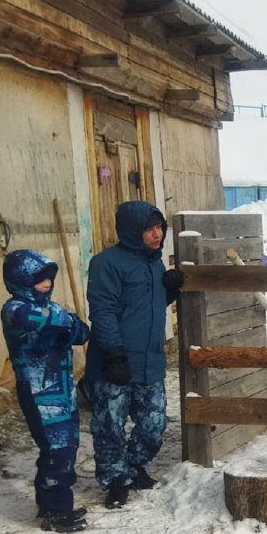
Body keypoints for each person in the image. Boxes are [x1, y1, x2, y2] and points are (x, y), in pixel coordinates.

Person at [84, 201, 183, 509]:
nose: (157, 235)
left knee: (153, 425)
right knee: (109, 426)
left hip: (149, 360)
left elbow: (146, 308)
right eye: (150, 229)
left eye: (160, 228)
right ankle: (115, 480)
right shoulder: (106, 263)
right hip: (114, 361)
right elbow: (103, 310)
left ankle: (133, 465)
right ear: (131, 231)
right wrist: (114, 353)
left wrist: (169, 290)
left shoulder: (155, 263)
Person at [0, 249, 91, 532]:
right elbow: (48, 320)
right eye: (39, 280)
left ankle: (49, 504)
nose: (47, 285)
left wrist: (67, 323)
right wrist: (65, 321)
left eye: (49, 279)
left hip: (61, 390)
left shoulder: (49, 307)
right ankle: (56, 512)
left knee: (65, 447)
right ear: (21, 281)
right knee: (57, 450)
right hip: (38, 393)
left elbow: (82, 332)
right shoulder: (14, 308)